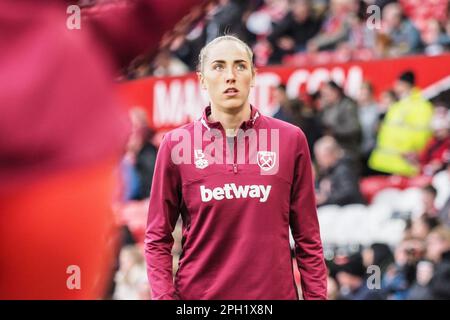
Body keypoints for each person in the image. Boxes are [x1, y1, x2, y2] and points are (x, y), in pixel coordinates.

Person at [145, 35, 327, 300]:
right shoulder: (175, 144)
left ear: (253, 76)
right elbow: (157, 239)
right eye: (218, 66)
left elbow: (308, 238)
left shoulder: (290, 139)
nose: (230, 75)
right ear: (202, 79)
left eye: (240, 66)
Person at [369, 70, 434, 176]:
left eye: (398, 83)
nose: (395, 86)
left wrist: (416, 154)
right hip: (384, 163)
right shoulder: (397, 105)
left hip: (404, 165)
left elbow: (422, 133)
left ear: (405, 84)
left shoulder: (421, 106)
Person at [314, 136, 365, 206]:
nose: (319, 161)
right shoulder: (327, 170)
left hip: (351, 211)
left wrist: (326, 199)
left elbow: (350, 193)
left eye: (320, 157)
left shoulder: (343, 169)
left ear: (329, 154)